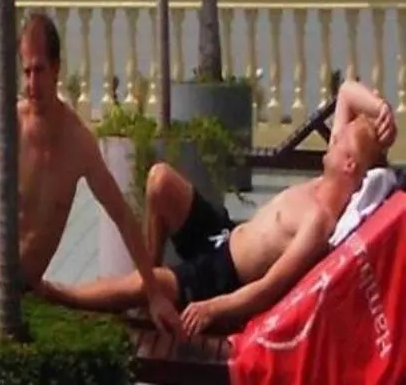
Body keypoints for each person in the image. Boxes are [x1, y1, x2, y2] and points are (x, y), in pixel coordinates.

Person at [42, 79, 398, 337]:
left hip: (222, 277)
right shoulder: (327, 181)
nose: (333, 138)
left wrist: (215, 308)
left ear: (349, 164)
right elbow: (348, 91)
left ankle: (57, 293)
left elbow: (270, 288)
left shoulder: (319, 222)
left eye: (340, 140)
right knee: (160, 179)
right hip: (223, 233)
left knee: (140, 283)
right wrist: (381, 111)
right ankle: (153, 289)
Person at [0, 14, 179, 331]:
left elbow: (123, 216)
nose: (32, 84)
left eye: (40, 70)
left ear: (57, 68)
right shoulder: (12, 125)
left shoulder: (78, 143)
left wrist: (153, 294)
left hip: (26, 289)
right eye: (26, 72)